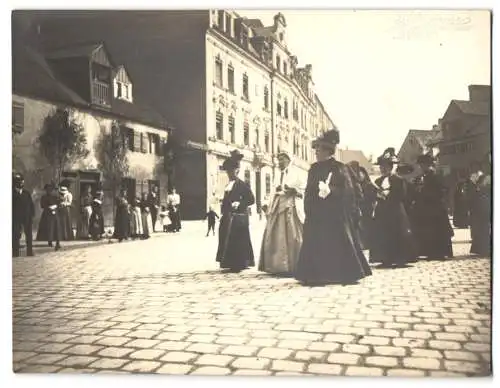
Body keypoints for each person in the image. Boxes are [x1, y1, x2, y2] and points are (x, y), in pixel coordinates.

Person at [294, 129, 372, 285]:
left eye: (319, 149)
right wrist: (309, 208)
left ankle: (337, 274)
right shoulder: (314, 168)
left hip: (335, 216)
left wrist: (331, 191)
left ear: (327, 151)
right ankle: (317, 275)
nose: (316, 152)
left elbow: (349, 192)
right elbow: (309, 191)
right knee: (317, 244)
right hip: (317, 215)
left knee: (336, 244)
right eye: (316, 149)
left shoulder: (340, 168)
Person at [259, 151, 305, 275]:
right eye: (278, 160)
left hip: (290, 205)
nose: (279, 162)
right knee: (275, 234)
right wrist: (267, 205)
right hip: (277, 205)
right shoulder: (277, 175)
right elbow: (273, 191)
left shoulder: (297, 173)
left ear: (289, 160)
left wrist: (293, 190)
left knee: (292, 234)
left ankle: (293, 265)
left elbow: (302, 190)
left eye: (282, 159)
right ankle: (277, 265)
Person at [370, 148, 417, 267]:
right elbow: (372, 195)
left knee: (397, 234)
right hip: (382, 212)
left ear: (391, 167)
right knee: (383, 234)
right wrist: (377, 195)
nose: (383, 169)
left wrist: (388, 195)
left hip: (395, 211)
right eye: (381, 167)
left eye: (385, 167)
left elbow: (402, 195)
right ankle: (385, 258)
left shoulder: (399, 180)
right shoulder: (378, 180)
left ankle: (400, 258)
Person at [215, 149, 256, 272]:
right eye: (228, 171)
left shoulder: (242, 185)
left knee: (238, 239)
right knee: (225, 237)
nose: (229, 173)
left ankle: (239, 263)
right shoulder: (228, 184)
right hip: (227, 216)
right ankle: (227, 261)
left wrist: (240, 203)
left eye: (232, 171)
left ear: (237, 171)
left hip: (238, 217)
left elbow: (251, 199)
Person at [412, 152, 454, 259]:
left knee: (438, 230)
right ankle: (429, 252)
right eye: (421, 165)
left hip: (436, 207)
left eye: (424, 164)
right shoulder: (420, 177)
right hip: (425, 208)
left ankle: (440, 252)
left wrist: (425, 191)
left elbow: (443, 190)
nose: (422, 167)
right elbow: (416, 191)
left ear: (429, 164)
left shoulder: (436, 175)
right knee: (428, 231)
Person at [468, 158, 491, 256]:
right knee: (479, 227)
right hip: (478, 204)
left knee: (484, 227)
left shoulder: (487, 176)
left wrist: (480, 189)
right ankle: (479, 248)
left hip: (485, 203)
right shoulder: (479, 177)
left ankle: (485, 247)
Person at [13, 173, 35, 257]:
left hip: (27, 217)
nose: (21, 183)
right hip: (15, 218)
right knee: (15, 235)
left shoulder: (26, 193)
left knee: (29, 235)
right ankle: (15, 253)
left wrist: (32, 215)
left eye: (22, 181)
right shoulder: (11, 194)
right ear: (15, 183)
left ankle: (30, 252)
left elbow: (31, 204)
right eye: (19, 181)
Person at [36, 182, 61, 251]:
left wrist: (56, 206)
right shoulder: (44, 197)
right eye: (47, 189)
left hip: (55, 213)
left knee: (56, 228)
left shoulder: (55, 196)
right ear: (46, 190)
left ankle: (58, 242)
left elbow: (59, 203)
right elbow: (42, 205)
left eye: (50, 189)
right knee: (49, 228)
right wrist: (49, 207)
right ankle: (49, 241)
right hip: (47, 214)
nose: (49, 191)